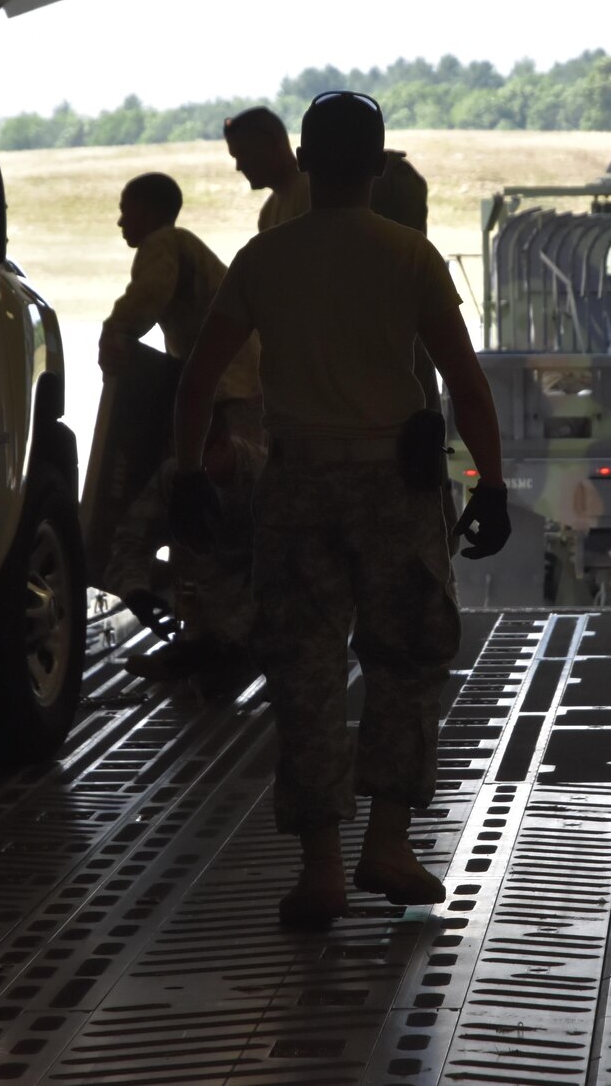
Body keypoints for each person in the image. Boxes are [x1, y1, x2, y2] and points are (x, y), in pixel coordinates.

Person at [171, 90, 511, 930]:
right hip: (393, 488)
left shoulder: (265, 258)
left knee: (305, 672)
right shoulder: (410, 256)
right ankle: (387, 844)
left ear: (309, 162)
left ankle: (319, 867)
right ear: (377, 162)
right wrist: (491, 481)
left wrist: (187, 471)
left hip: (296, 487)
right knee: (405, 658)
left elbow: (199, 375)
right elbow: (464, 382)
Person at [108, 399, 263, 698]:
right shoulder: (176, 477)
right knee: (206, 686)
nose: (187, 469)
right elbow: (131, 540)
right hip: (209, 602)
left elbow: (285, 575)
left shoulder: (264, 480)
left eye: (195, 459)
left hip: (258, 608)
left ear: (221, 445)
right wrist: (135, 590)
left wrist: (225, 638)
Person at [97, 171, 262, 408]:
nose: (120, 221)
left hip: (227, 386)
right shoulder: (181, 243)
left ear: (149, 212)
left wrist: (114, 330)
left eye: (126, 210)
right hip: (243, 378)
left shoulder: (162, 242)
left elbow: (147, 298)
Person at [224, 107, 310, 231]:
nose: (239, 167)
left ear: (270, 145)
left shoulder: (310, 195)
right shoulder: (267, 213)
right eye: (236, 157)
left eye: (244, 154)